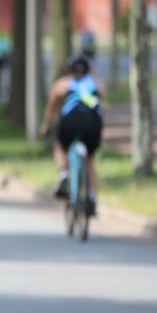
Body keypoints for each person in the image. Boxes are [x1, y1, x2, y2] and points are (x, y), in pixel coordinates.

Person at [40, 43, 106, 216]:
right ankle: (91, 199)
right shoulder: (96, 83)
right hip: (93, 122)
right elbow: (102, 105)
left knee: (60, 145)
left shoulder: (62, 84)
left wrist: (46, 125)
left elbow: (51, 109)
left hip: (70, 121)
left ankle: (63, 175)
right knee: (90, 160)